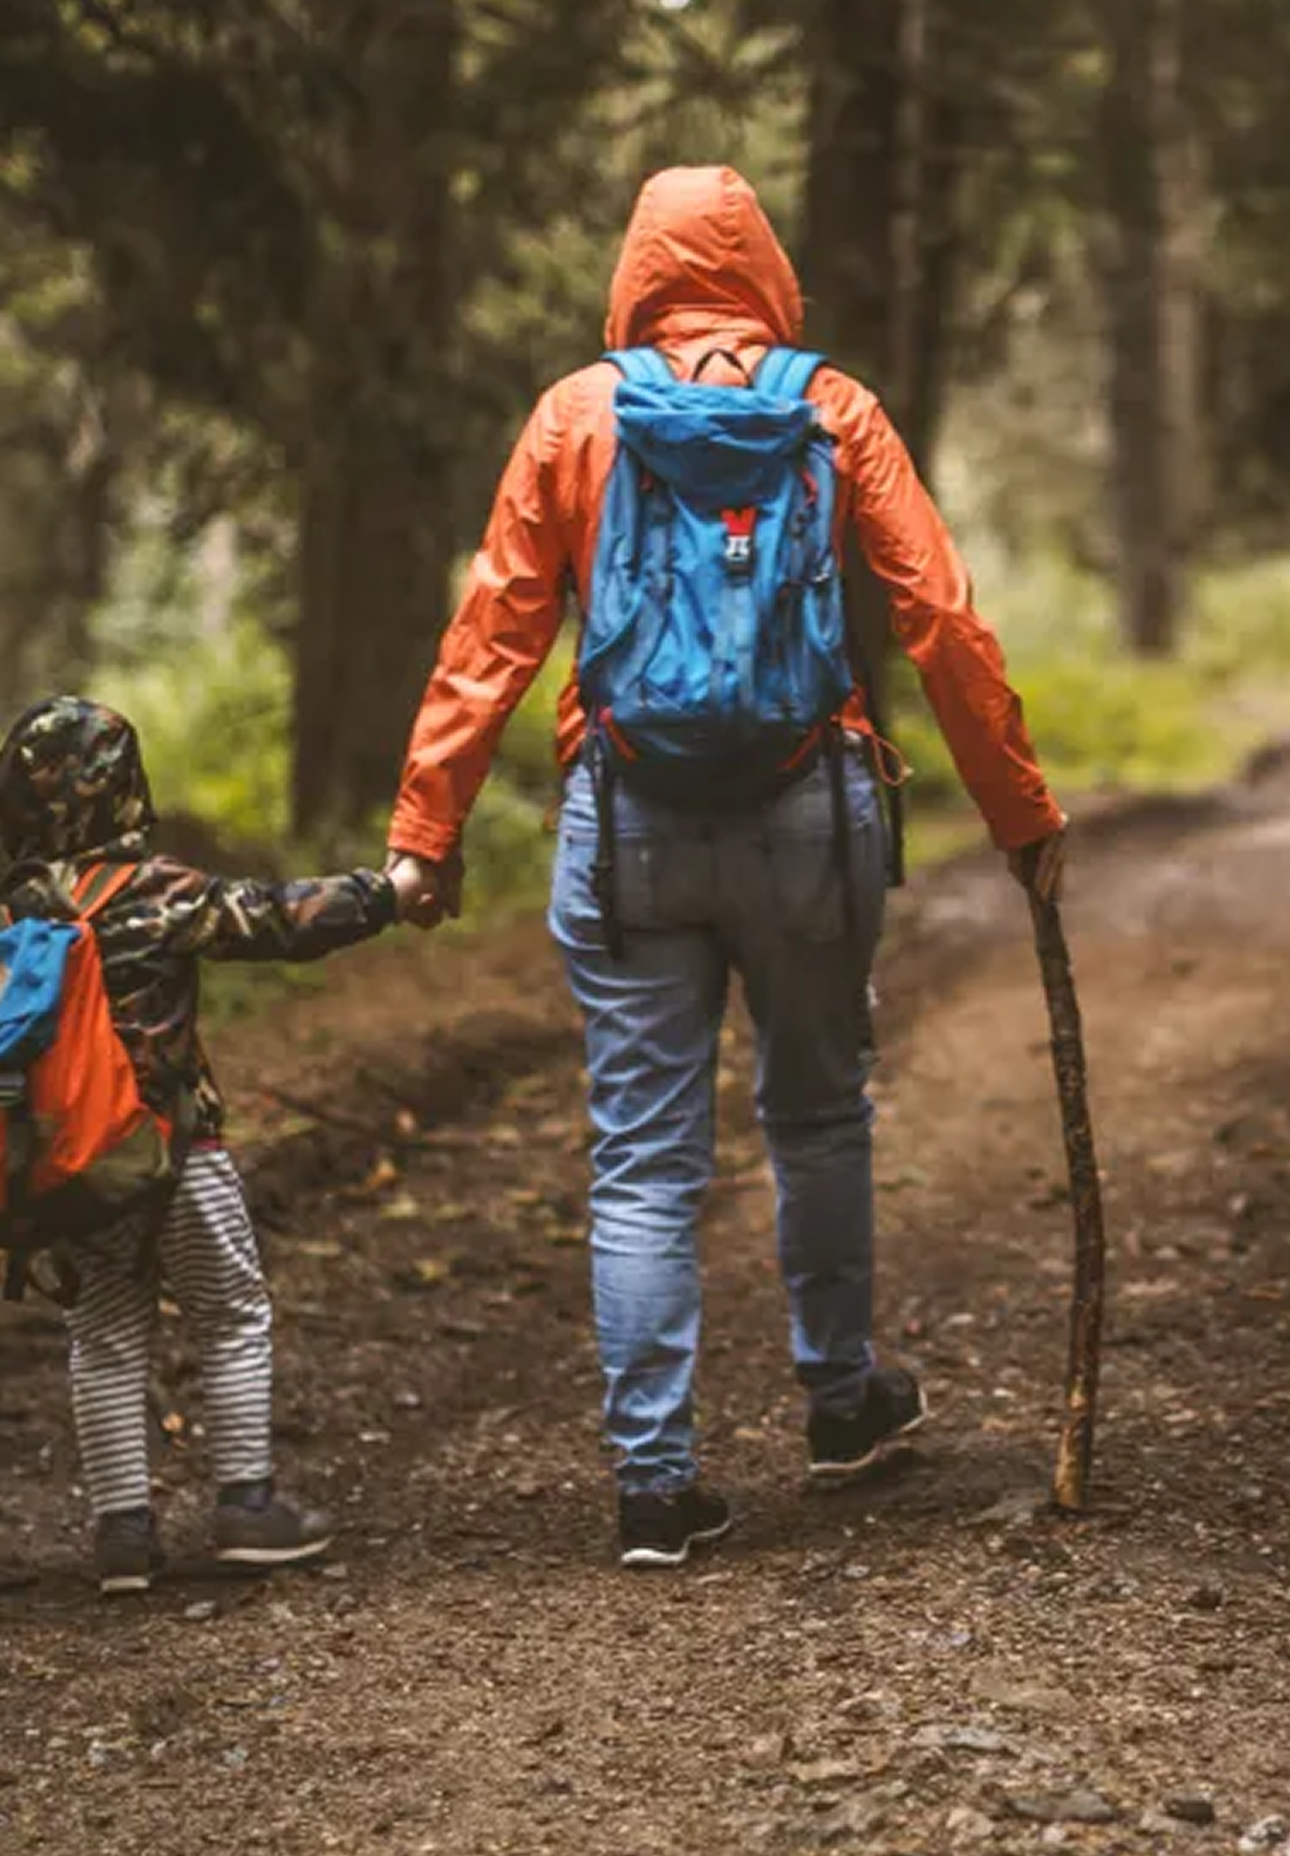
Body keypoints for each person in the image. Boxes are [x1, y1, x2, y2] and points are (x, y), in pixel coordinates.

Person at [386, 165, 1066, 1570]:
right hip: (810, 811)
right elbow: (937, 616)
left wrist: (424, 836)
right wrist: (1018, 813)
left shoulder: (577, 416)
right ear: (764, 271)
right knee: (816, 1114)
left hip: (626, 822)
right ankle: (838, 1404)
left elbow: (494, 636)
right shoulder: (832, 407)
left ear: (636, 270)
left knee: (642, 1157)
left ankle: (653, 1481)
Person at [0, 695, 424, 1593]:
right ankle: (245, 1505)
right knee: (229, 1312)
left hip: (71, 1163)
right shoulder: (152, 890)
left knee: (103, 1328)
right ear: (121, 788)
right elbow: (273, 917)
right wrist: (390, 892)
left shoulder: (3, 915)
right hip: (175, 1149)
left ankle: (121, 1533)